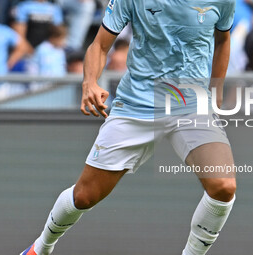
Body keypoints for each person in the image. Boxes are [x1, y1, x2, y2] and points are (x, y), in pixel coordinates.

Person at [20, 0, 237, 255]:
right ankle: (40, 248)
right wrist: (90, 82)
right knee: (84, 196)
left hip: (191, 107)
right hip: (136, 105)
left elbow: (223, 40)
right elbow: (100, 45)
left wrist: (217, 89)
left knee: (224, 186)